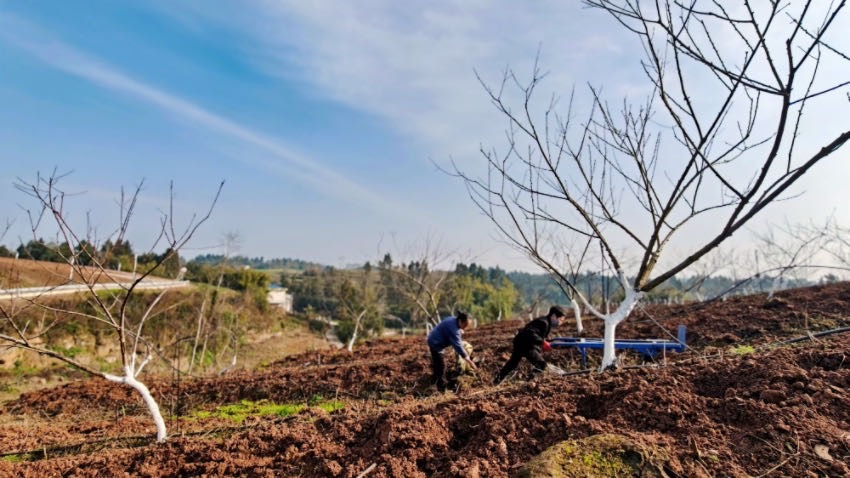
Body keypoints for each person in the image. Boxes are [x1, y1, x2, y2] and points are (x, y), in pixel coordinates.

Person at [493, 305, 566, 385]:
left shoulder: (546, 323)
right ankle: (528, 383)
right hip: (525, 344)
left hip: (521, 342)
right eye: (560, 320)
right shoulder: (543, 322)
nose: (560, 323)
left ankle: (496, 382)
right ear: (554, 316)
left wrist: (548, 341)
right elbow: (530, 333)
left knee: (512, 364)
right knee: (541, 365)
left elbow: (538, 336)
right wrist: (542, 342)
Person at [427, 311, 477, 392]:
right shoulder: (454, 330)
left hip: (434, 339)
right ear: (460, 321)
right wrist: (469, 361)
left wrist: (459, 330)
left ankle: (433, 383)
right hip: (436, 344)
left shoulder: (452, 320)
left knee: (437, 365)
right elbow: (458, 346)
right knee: (442, 366)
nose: (465, 328)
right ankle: (442, 389)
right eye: (465, 325)